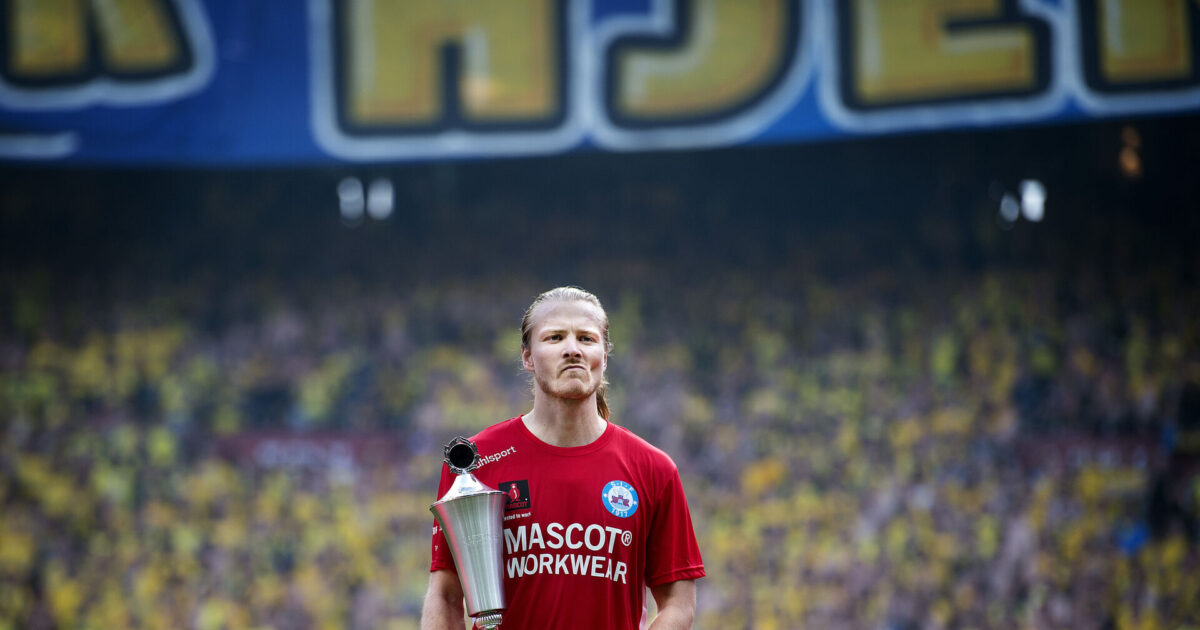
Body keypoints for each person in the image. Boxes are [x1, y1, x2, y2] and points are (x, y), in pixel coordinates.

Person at [421, 286, 705, 630]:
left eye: (586, 339)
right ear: (528, 356)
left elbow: (678, 602)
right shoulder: (474, 462)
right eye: (555, 338)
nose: (572, 350)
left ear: (604, 353)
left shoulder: (653, 469)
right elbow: (446, 595)